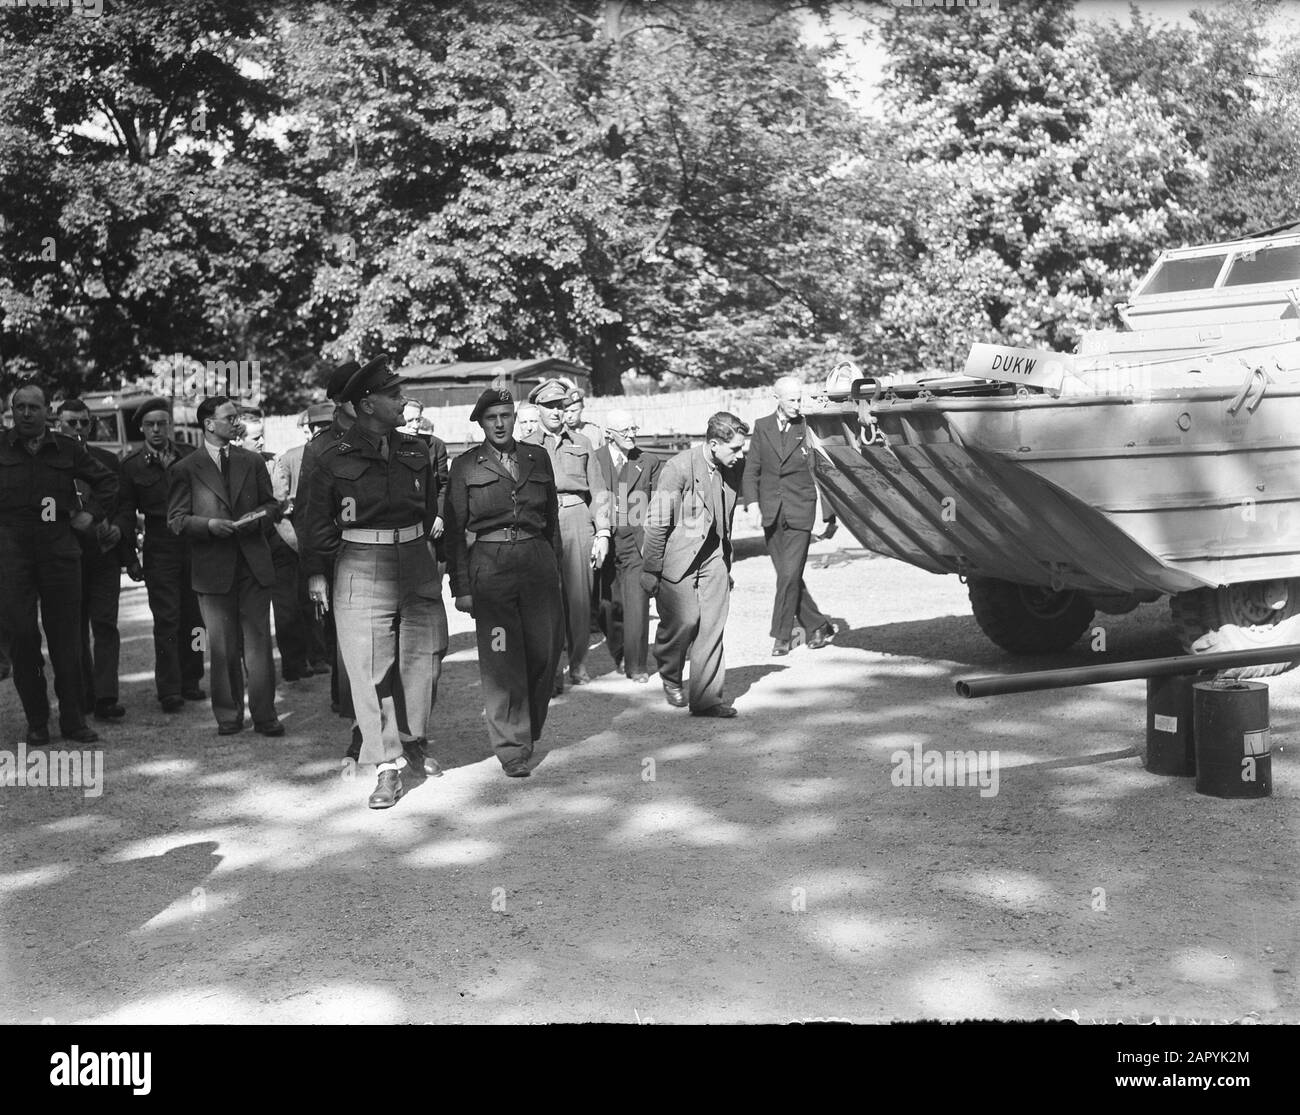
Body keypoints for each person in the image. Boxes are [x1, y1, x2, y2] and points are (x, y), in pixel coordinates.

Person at [303, 358, 448, 809]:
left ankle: (411, 738)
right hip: (361, 564)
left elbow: (428, 509)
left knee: (425, 658)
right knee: (369, 669)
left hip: (415, 560)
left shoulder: (417, 450)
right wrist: (338, 562)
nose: (403, 401)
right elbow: (313, 524)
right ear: (367, 405)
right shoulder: (329, 455)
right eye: (393, 395)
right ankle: (387, 765)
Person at [445, 389, 563, 778]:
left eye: (506, 415)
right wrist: (461, 587)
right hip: (491, 568)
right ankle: (512, 747)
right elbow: (454, 531)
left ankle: (528, 727)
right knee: (502, 658)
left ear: (515, 418)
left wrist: (556, 570)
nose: (499, 423)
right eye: (491, 417)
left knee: (544, 652)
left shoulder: (536, 457)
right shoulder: (465, 465)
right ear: (481, 423)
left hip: (537, 563)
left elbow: (552, 520)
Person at [0, 382, 117, 744]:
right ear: (12, 411)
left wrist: (91, 515)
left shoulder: (67, 448)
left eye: (34, 407)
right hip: (12, 556)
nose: (26, 413)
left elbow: (109, 482)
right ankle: (37, 721)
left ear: (47, 412)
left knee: (66, 640)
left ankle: (73, 720)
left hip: (59, 553)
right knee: (22, 638)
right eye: (20, 407)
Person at [167, 396, 284, 737]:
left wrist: (258, 518)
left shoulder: (252, 461)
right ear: (209, 424)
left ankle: (265, 715)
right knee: (221, 646)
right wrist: (208, 526)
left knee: (258, 643)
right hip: (212, 568)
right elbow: (175, 520)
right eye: (230, 418)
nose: (237, 424)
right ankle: (229, 715)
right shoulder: (186, 468)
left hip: (253, 564)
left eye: (236, 417)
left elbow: (272, 506)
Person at [641, 412, 749, 718]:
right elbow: (657, 522)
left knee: (713, 626)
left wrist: (726, 563)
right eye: (735, 448)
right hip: (679, 556)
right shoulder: (679, 467)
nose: (740, 455)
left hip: (713, 555)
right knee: (685, 620)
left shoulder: (733, 466)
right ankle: (670, 671)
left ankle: (706, 700)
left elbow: (725, 517)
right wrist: (651, 569)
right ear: (714, 444)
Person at [115, 399, 207, 712]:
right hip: (159, 544)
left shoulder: (190, 455)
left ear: (170, 425)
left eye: (162, 423)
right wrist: (130, 558)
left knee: (195, 619)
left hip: (192, 543)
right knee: (167, 619)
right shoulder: (131, 466)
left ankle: (192, 679)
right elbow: (126, 512)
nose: (156, 430)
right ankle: (169, 688)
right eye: (150, 425)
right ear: (142, 428)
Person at [523, 379, 610, 688]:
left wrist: (603, 532)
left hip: (576, 519)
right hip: (541, 522)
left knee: (579, 597)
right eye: (549, 406)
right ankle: (552, 671)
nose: (556, 412)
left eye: (560, 406)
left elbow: (599, 490)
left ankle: (578, 664)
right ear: (537, 409)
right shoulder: (526, 446)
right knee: (545, 599)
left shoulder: (582, 443)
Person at [741, 375, 837, 655]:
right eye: (791, 400)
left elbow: (823, 471)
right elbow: (752, 469)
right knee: (788, 575)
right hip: (771, 512)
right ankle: (818, 625)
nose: (797, 404)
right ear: (777, 399)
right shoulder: (762, 426)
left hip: (800, 510)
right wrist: (752, 503)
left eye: (799, 399)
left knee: (788, 574)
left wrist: (829, 516)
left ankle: (782, 636)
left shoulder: (808, 427)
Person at [57, 398, 128, 721]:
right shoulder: (49, 462)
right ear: (58, 424)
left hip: (103, 554)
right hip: (66, 555)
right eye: (70, 422)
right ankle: (83, 694)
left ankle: (106, 697)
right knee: (74, 630)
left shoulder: (107, 460)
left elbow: (125, 503)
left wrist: (118, 527)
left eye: (83, 422)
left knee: (105, 625)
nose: (78, 428)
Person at [592, 409, 660, 682]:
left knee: (637, 603)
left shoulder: (648, 461)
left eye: (634, 429)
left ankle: (637, 665)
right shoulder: (593, 459)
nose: (632, 435)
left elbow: (658, 503)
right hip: (604, 540)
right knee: (608, 606)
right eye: (625, 431)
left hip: (635, 542)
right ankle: (619, 651)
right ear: (609, 434)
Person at [271, 403, 333, 677]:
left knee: (299, 602)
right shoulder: (297, 457)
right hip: (310, 537)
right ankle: (319, 656)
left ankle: (301, 661)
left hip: (297, 536)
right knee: (315, 601)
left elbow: (280, 501)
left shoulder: (289, 457)